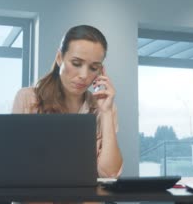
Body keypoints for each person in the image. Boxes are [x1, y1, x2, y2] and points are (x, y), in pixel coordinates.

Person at [12, 25, 123, 178]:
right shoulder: (27, 98)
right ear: (59, 58)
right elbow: (16, 166)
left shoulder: (104, 108)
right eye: (76, 63)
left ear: (101, 71)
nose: (84, 75)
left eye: (93, 68)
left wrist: (106, 112)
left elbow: (109, 174)